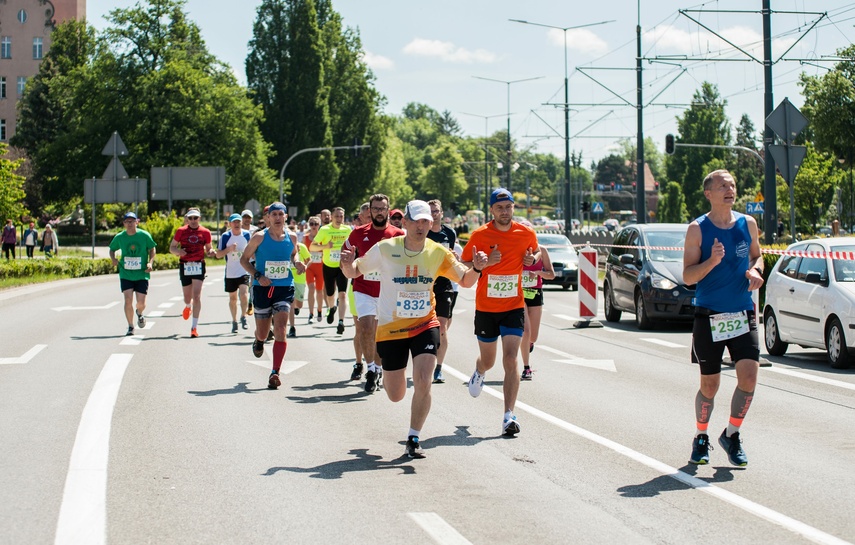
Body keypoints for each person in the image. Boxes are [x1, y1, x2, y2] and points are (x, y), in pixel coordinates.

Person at [341, 200, 485, 458]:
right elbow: (354, 272)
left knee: (424, 380)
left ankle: (414, 437)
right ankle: (388, 379)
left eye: (426, 221)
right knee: (395, 394)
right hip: (391, 329)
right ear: (405, 222)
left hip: (424, 324)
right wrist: (347, 264)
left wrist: (477, 268)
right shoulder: (386, 248)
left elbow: (465, 280)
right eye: (416, 221)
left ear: (431, 223)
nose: (421, 226)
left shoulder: (438, 252)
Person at [683, 169, 764, 467]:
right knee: (710, 385)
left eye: (732, 185)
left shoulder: (748, 223)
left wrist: (756, 270)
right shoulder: (697, 229)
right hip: (709, 315)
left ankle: (732, 434)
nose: (730, 190)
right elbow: (688, 276)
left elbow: (757, 255)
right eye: (722, 186)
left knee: (750, 376)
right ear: (709, 193)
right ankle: (701, 436)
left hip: (742, 312)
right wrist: (712, 261)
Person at [460, 188, 537, 436]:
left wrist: (532, 259)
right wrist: (483, 264)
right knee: (489, 360)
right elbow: (464, 262)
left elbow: (534, 251)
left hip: (513, 306)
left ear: (513, 207)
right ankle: (480, 371)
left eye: (508, 207)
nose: (505, 212)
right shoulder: (480, 235)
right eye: (500, 208)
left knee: (511, 358)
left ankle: (508, 415)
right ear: (492, 210)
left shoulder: (526, 232)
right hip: (486, 308)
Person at [240, 202, 306, 389]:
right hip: (262, 287)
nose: (277, 217)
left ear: (286, 217)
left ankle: (275, 372)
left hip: (284, 286)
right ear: (268, 217)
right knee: (263, 332)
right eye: (274, 214)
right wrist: (258, 276)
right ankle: (259, 340)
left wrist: (297, 263)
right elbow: (244, 260)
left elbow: (294, 254)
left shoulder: (292, 237)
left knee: (281, 329)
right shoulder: (259, 237)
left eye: (280, 214)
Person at [343, 194, 405, 390]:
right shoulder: (357, 233)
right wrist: (347, 262)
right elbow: (344, 258)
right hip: (363, 289)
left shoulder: (398, 235)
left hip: (387, 292)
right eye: (376, 209)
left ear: (388, 210)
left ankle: (378, 368)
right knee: (366, 328)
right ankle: (370, 369)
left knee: (380, 333)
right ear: (370, 211)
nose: (379, 212)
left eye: (382, 209)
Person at [425, 200, 458, 384]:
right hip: (424, 284)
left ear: (441, 212)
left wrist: (454, 258)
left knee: (442, 328)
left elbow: (451, 256)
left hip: (444, 284)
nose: (433, 214)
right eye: (430, 211)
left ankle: (438, 368)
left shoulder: (449, 233)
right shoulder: (423, 232)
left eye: (436, 211)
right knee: (426, 328)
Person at [109, 212, 157, 336]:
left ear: (137, 222)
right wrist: (113, 259)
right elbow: (112, 249)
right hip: (126, 273)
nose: (130, 224)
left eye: (132, 221)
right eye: (127, 222)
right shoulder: (120, 237)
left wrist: (150, 262)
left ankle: (139, 313)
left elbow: (152, 249)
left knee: (141, 303)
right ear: (124, 223)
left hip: (142, 273)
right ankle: (130, 326)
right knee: (128, 300)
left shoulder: (144, 235)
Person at [169, 208, 214, 338]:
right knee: (187, 297)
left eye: (195, 218)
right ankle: (188, 306)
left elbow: (209, 248)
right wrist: (178, 252)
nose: (193, 220)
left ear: (199, 218)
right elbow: (172, 247)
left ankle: (194, 327)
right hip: (185, 265)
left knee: (197, 296)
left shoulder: (205, 232)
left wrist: (211, 252)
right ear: (187, 219)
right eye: (190, 218)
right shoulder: (181, 231)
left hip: (198, 265)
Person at [309, 207, 352, 335]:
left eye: (341, 216)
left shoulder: (347, 229)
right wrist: (326, 246)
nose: (339, 219)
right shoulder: (324, 230)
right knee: (330, 295)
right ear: (332, 217)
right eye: (337, 216)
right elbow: (312, 247)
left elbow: (353, 245)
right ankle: (332, 308)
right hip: (328, 265)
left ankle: (341, 322)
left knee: (342, 294)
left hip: (342, 266)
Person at [520, 245, 555, 380]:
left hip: (535, 293)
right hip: (519, 294)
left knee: (533, 337)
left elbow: (551, 274)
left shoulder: (542, 250)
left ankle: (528, 343)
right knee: (526, 331)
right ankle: (526, 367)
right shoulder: (517, 248)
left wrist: (538, 273)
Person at [214, 213, 251, 334]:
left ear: (241, 223)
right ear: (230, 224)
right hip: (230, 272)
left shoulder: (247, 235)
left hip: (244, 270)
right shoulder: (225, 236)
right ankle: (234, 321)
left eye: (238, 221)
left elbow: (253, 250)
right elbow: (218, 255)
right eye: (234, 222)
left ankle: (243, 316)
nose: (236, 224)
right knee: (233, 298)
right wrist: (228, 249)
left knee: (244, 294)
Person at [287, 235, 312, 337]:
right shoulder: (285, 246)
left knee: (299, 305)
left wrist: (304, 267)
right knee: (291, 304)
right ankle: (292, 327)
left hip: (300, 279)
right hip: (288, 279)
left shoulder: (302, 247)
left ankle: (296, 308)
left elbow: (309, 259)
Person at [303, 216, 326, 324]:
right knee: (311, 288)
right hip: (309, 267)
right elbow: (302, 251)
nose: (313, 226)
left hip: (320, 267)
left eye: (316, 224)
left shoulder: (323, 238)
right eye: (311, 224)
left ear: (319, 225)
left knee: (319, 290)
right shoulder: (305, 238)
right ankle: (311, 313)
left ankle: (319, 311)